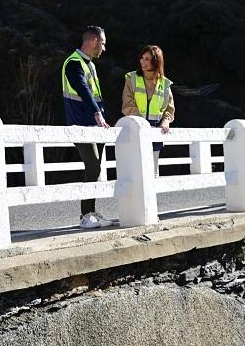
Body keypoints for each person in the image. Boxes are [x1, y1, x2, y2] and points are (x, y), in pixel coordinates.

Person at [61, 25, 112, 229]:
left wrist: (101, 117)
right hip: (81, 124)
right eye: (103, 44)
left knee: (96, 168)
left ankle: (91, 211)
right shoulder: (73, 63)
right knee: (93, 166)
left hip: (95, 125)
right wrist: (97, 113)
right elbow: (83, 90)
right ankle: (85, 215)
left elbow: (95, 95)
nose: (104, 49)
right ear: (94, 41)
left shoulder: (89, 64)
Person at [121, 45, 175, 177]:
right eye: (142, 58)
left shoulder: (165, 83)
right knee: (135, 170)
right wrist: (142, 123)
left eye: (147, 59)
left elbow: (169, 108)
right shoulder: (132, 78)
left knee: (153, 171)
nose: (142, 62)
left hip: (156, 129)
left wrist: (166, 122)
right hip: (135, 126)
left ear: (156, 62)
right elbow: (127, 104)